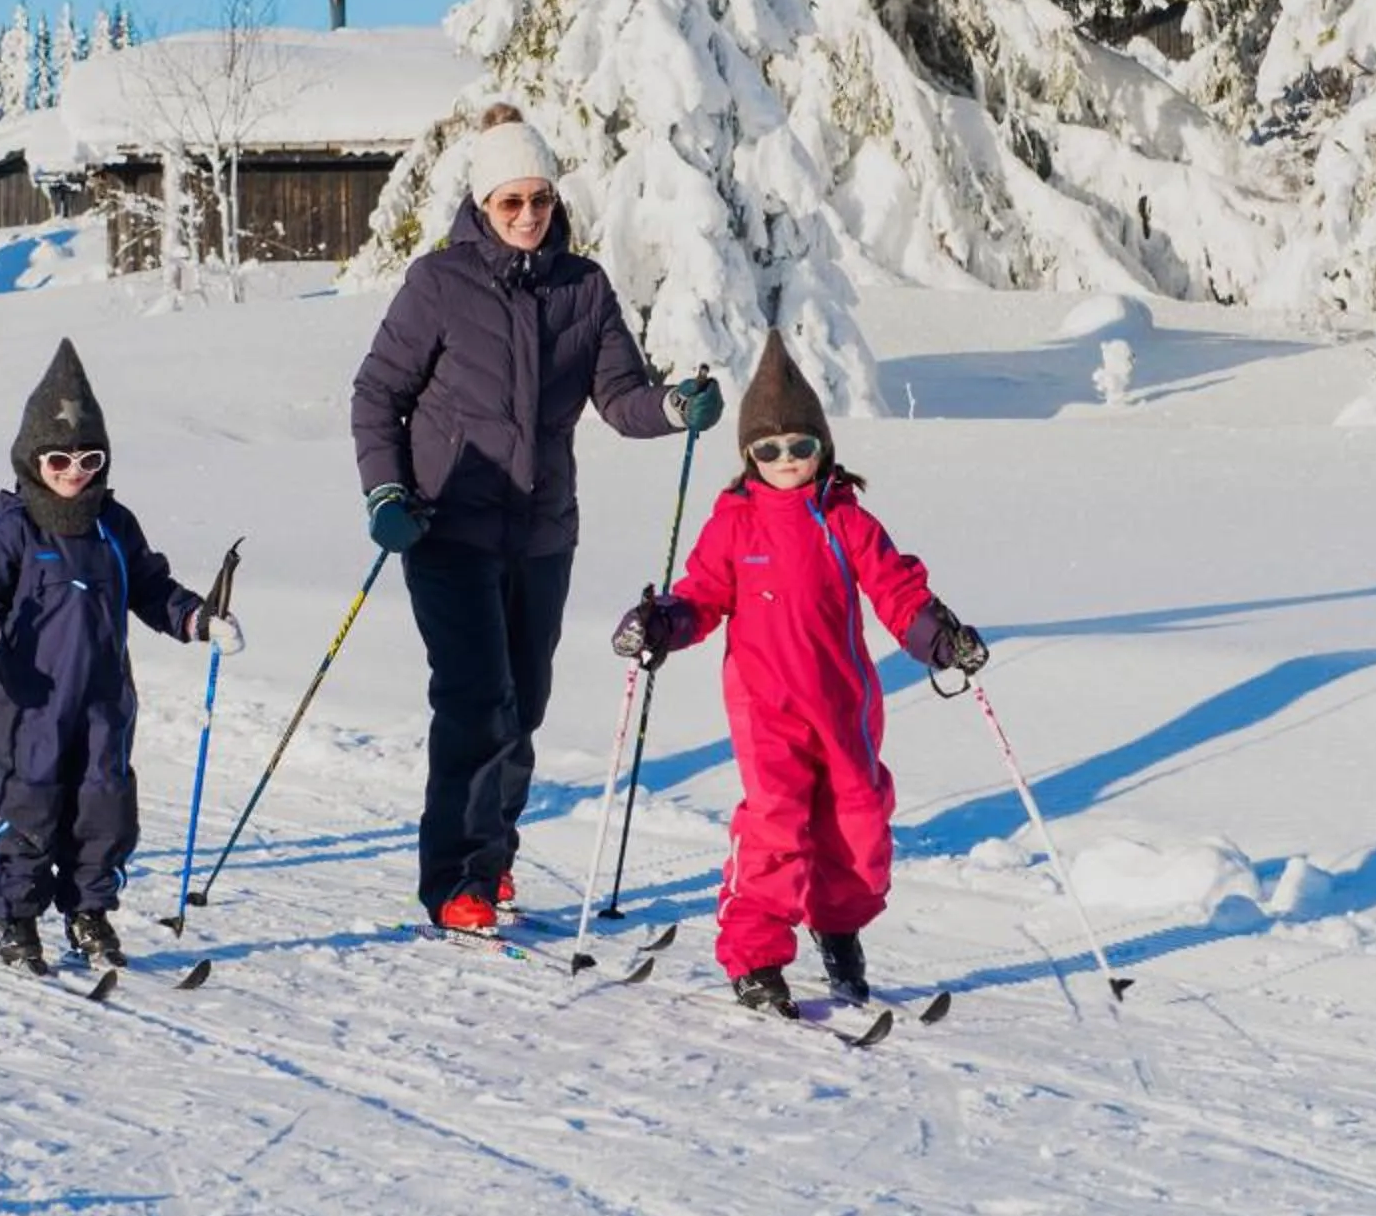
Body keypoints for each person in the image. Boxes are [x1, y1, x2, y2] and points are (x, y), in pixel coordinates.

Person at [351, 102, 724, 933]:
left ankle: (495, 854)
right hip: (445, 527)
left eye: (541, 201)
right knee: (477, 699)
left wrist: (672, 404)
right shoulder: (438, 284)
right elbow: (378, 394)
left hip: (542, 531)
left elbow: (621, 398)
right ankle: (456, 879)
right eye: (509, 203)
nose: (527, 216)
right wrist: (386, 492)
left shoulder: (581, 289)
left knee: (525, 703)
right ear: (481, 206)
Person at [611, 328, 986, 1017]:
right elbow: (701, 597)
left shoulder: (846, 520)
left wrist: (938, 636)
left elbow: (896, 590)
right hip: (767, 708)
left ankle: (838, 928)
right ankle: (755, 955)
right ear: (749, 455)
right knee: (777, 826)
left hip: (845, 705)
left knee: (859, 826)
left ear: (824, 448)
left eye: (801, 446)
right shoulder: (735, 524)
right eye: (770, 448)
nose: (787, 459)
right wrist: (662, 623)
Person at [0, 339, 240, 974]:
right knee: (33, 808)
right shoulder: (14, 531)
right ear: (31, 460)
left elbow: (153, 588)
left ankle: (88, 912)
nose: (74, 470)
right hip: (32, 707)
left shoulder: (114, 524)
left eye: (88, 457)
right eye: (58, 458)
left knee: (104, 808)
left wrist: (198, 621)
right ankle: (15, 916)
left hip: (105, 700)